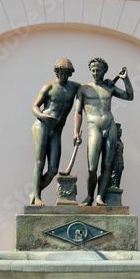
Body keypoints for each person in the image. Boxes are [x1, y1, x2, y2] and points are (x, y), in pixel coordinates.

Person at [74, 58, 133, 206]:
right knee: (92, 167)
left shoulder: (109, 87)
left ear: (105, 71)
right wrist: (76, 131)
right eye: (93, 70)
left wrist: (126, 80)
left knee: (106, 165)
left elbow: (129, 96)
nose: (95, 73)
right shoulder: (84, 89)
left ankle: (100, 196)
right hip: (93, 127)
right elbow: (78, 112)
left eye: (98, 70)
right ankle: (89, 196)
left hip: (109, 126)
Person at [30, 58, 80, 206]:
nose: (63, 75)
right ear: (56, 72)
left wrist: (108, 84)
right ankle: (38, 198)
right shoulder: (49, 87)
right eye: (60, 72)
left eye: (66, 73)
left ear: (70, 73)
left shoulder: (74, 87)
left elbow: (91, 89)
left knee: (53, 170)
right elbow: (34, 106)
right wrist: (41, 115)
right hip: (42, 126)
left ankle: (35, 191)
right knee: (39, 163)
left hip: (57, 131)